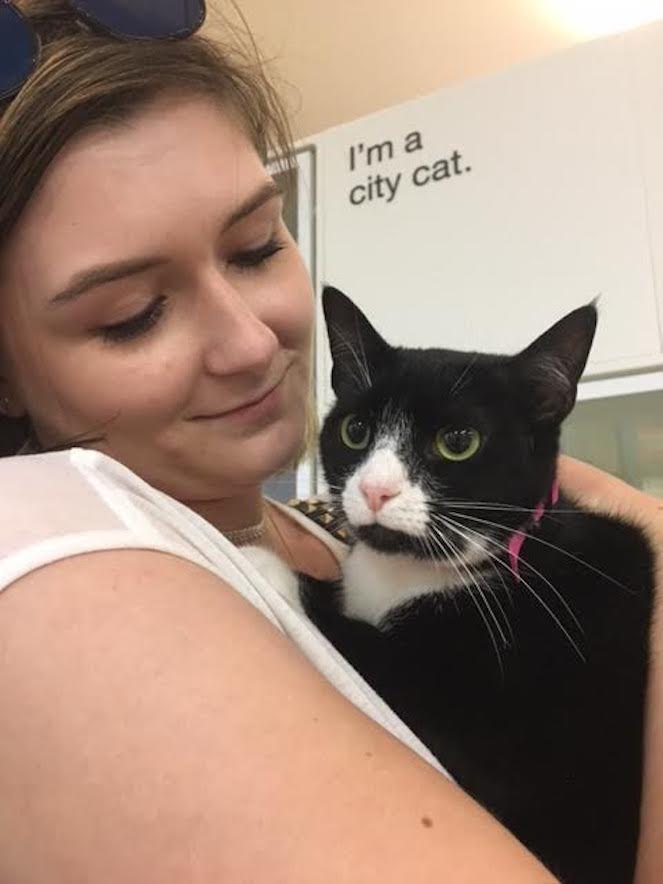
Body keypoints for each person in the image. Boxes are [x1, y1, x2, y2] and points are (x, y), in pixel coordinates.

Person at [0, 2, 659, 880]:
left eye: (254, 247)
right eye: (132, 314)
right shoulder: (39, 548)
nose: (251, 345)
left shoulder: (321, 526)